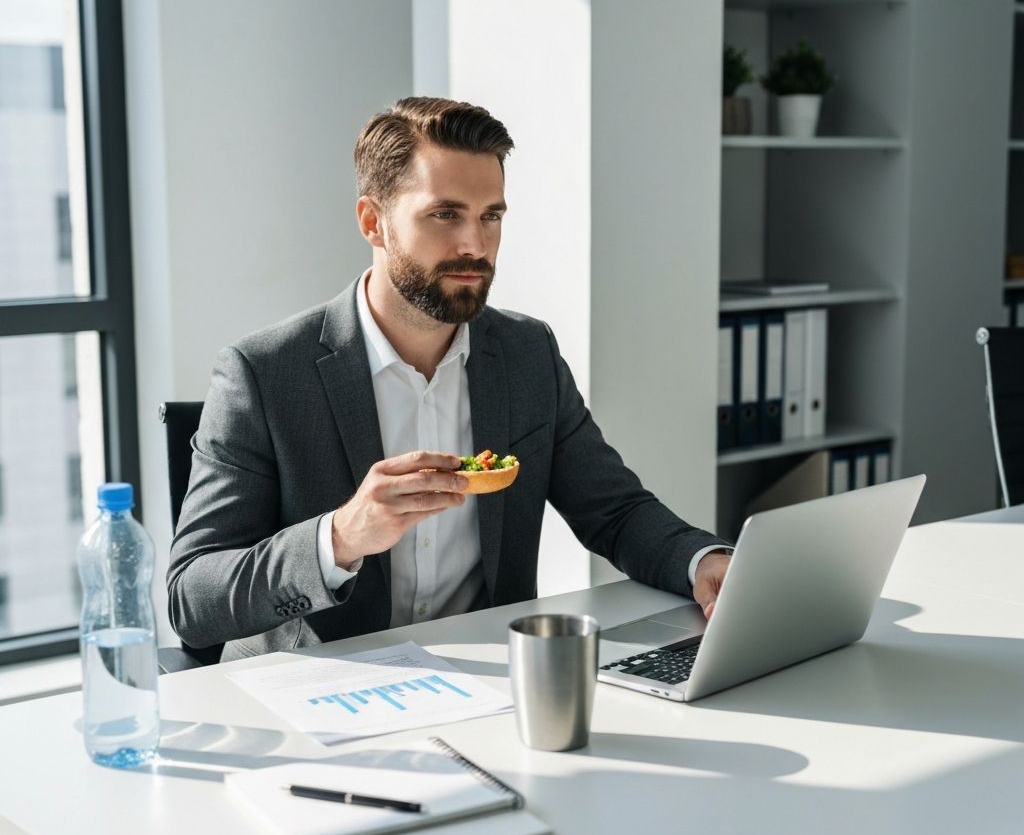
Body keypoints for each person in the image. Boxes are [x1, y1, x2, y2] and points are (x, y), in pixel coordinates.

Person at [168, 97, 732, 661]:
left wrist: (704, 563)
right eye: (445, 215)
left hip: (492, 683)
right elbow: (192, 600)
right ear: (373, 222)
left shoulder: (527, 354)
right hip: (325, 693)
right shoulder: (263, 374)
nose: (475, 246)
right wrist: (340, 537)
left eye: (491, 216)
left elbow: (615, 511)